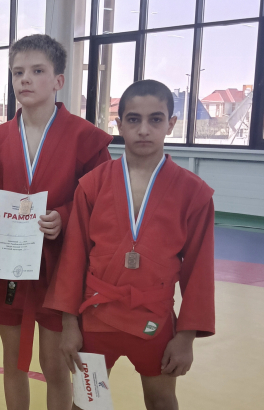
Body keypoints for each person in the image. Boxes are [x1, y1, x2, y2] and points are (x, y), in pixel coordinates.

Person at [45, 79, 215, 410]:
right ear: (119, 124)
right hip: (97, 318)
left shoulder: (193, 193)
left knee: (162, 401)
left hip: (155, 321)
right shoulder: (92, 185)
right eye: (134, 119)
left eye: (155, 119)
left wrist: (186, 337)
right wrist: (68, 324)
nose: (144, 129)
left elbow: (200, 270)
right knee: (87, 403)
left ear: (171, 124)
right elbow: (73, 258)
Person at [0, 34, 113, 410]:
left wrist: (64, 216)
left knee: (55, 366)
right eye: (18, 72)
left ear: (58, 80)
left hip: (60, 268)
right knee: (13, 363)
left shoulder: (86, 139)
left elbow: (101, 199)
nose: (25, 79)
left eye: (37, 71)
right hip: (11, 265)